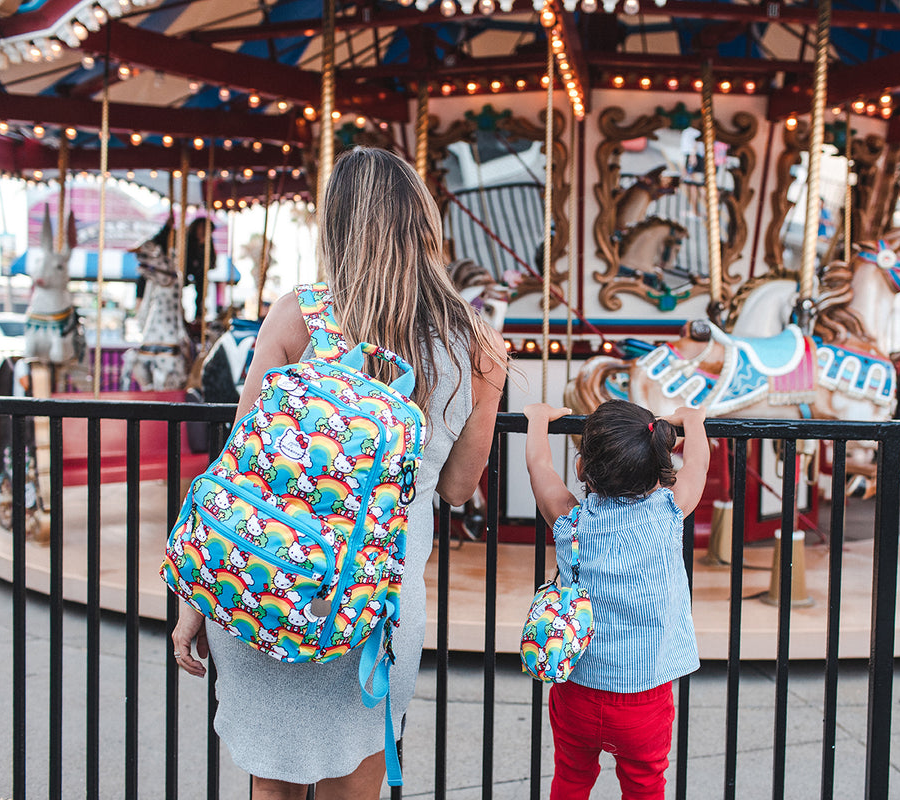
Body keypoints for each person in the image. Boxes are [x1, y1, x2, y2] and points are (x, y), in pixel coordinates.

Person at [170, 147, 507, 799]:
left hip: (272, 580)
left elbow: (240, 464)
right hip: (372, 605)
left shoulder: (301, 314)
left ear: (337, 228)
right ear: (423, 224)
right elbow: (462, 486)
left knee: (271, 786)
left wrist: (194, 597)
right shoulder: (476, 342)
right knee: (357, 783)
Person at [523, 399, 709, 800]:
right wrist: (693, 421)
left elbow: (539, 468)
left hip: (577, 692)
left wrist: (538, 420)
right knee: (645, 785)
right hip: (645, 700)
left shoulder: (570, 520)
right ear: (661, 468)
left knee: (570, 778)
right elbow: (699, 467)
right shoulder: (670, 512)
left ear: (581, 468)